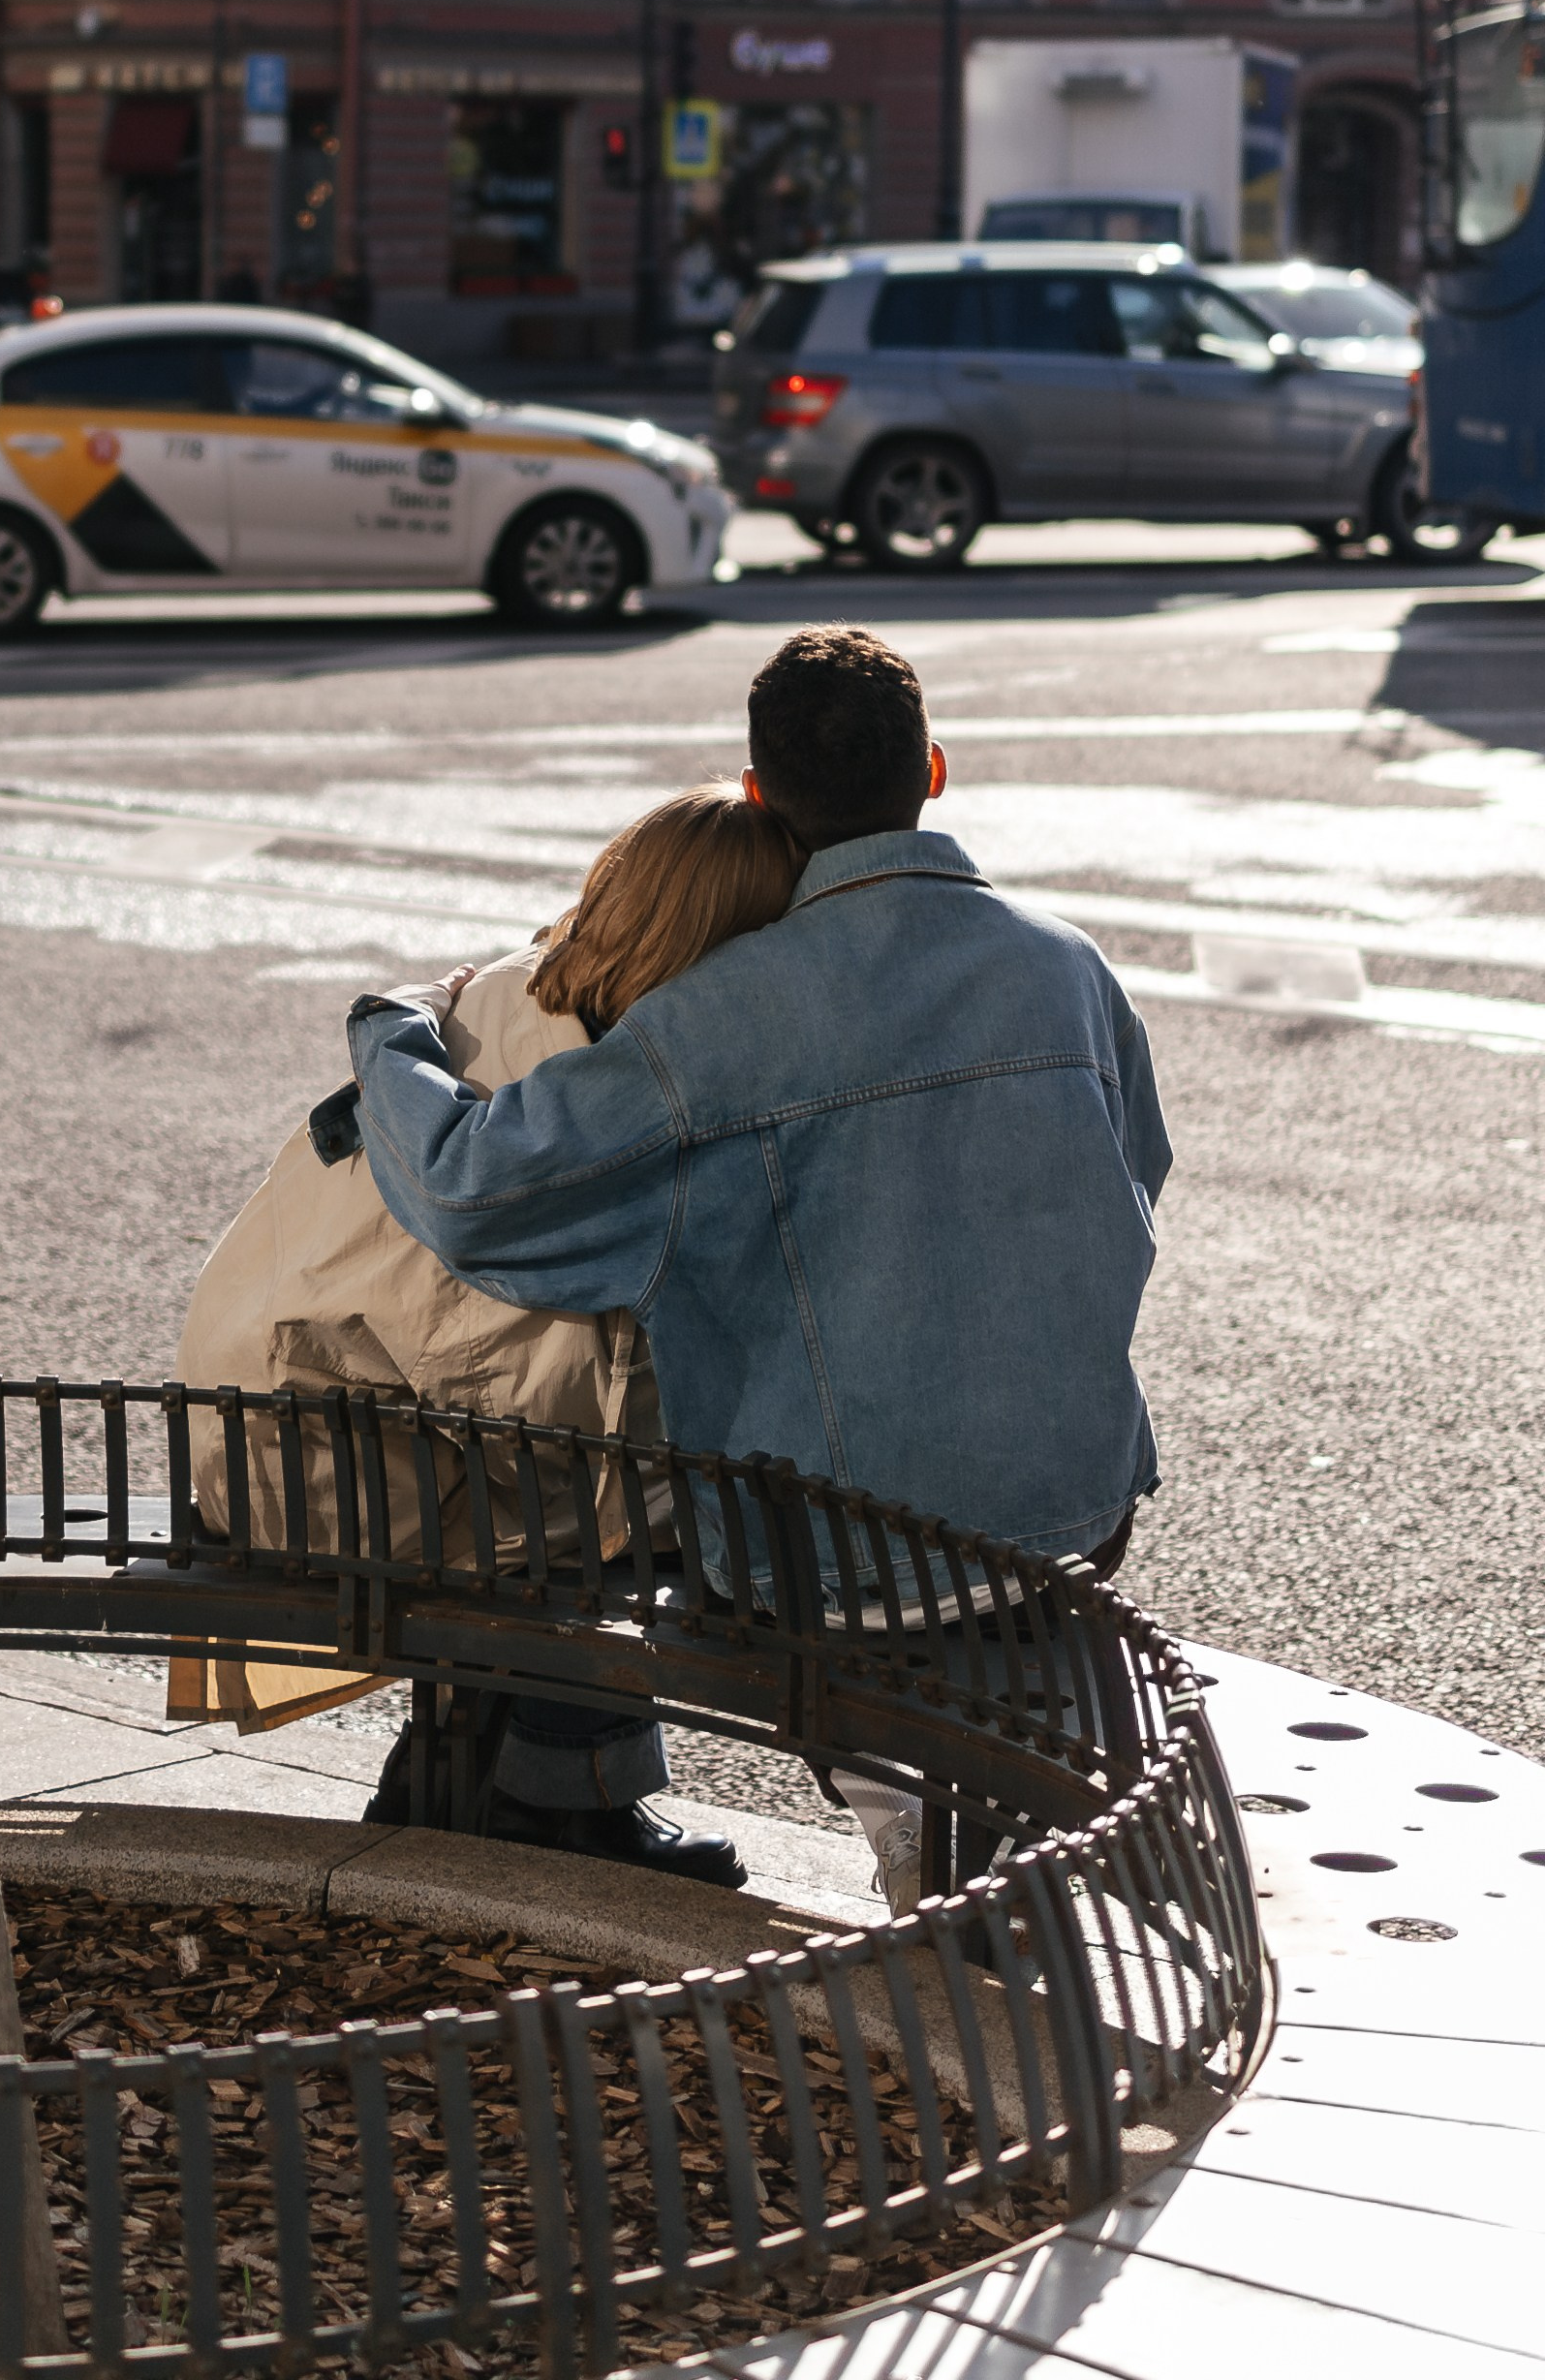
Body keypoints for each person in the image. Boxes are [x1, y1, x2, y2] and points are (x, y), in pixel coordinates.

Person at [336, 625, 1170, 1893]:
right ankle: (569, 1793)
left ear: (766, 798)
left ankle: (547, 1790)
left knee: (561, 1492)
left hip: (845, 1562)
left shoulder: (721, 1018)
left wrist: (392, 1039)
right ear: (932, 770)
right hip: (1074, 1511)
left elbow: (481, 1192)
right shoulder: (1069, 969)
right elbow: (1138, 1174)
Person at [172, 783, 808, 1887]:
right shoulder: (567, 1084)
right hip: (328, 1458)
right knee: (662, 1501)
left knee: (613, 1480)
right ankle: (561, 1804)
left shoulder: (525, 998)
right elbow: (532, 1380)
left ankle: (452, 1778)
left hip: (322, 1412)